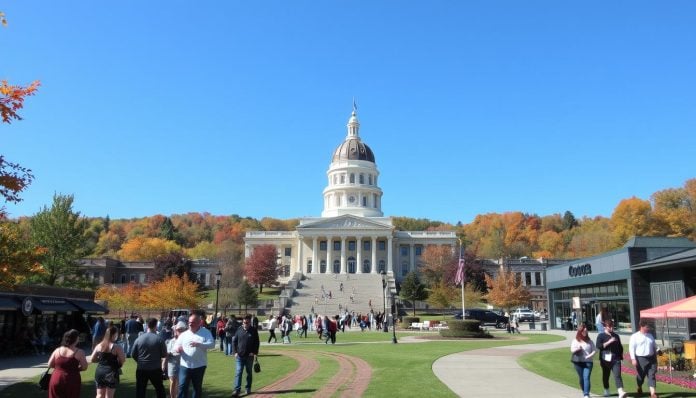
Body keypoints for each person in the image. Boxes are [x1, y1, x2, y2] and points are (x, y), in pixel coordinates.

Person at [174, 313, 215, 398]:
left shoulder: (205, 332)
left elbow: (212, 344)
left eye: (192, 322)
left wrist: (200, 344)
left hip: (199, 366)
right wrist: (178, 349)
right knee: (182, 386)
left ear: (199, 322)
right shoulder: (184, 334)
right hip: (185, 366)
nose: (190, 324)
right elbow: (176, 345)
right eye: (189, 322)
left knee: (197, 388)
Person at [131, 318, 167, 398]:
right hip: (155, 368)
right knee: (159, 389)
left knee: (140, 390)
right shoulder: (159, 339)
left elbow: (133, 354)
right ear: (155, 326)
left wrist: (140, 361)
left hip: (141, 368)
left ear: (147, 326)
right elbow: (164, 354)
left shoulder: (139, 339)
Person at [47, 329, 89, 398]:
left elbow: (49, 364)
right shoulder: (79, 352)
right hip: (71, 380)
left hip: (56, 378)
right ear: (76, 339)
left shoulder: (57, 350)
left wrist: (60, 367)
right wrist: (76, 369)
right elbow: (84, 367)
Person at [90, 325, 126, 398]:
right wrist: (118, 365)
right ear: (114, 334)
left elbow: (92, 359)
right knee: (109, 396)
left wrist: (101, 360)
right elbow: (122, 360)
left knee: (99, 395)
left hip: (100, 371)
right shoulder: (116, 347)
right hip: (111, 372)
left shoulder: (99, 345)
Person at [595, 320, 627, 398]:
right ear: (605, 327)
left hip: (616, 359)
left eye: (612, 326)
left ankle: (621, 391)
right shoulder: (601, 336)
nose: (611, 328)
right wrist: (609, 342)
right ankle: (606, 389)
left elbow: (620, 347)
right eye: (609, 326)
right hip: (605, 360)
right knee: (606, 375)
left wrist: (621, 356)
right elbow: (598, 346)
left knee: (617, 375)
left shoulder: (616, 336)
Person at [629, 319, 660, 398]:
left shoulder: (650, 336)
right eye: (647, 327)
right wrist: (633, 359)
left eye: (649, 327)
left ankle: (653, 393)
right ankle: (639, 386)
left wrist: (658, 350)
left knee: (651, 375)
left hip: (651, 358)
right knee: (641, 376)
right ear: (641, 326)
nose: (648, 328)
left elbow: (654, 345)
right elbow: (631, 348)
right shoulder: (635, 336)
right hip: (641, 359)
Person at [231, 314, 260, 397]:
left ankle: (248, 388)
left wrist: (254, 352)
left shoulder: (253, 331)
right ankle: (237, 390)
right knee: (238, 372)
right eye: (244, 322)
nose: (245, 324)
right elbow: (234, 341)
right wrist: (235, 352)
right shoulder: (239, 330)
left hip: (249, 356)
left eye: (247, 323)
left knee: (249, 373)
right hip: (239, 356)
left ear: (250, 323)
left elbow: (257, 342)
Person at [570, 323, 596, 398]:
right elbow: (572, 350)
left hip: (588, 362)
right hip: (578, 362)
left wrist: (589, 356)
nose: (585, 333)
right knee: (581, 378)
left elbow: (594, 350)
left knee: (586, 377)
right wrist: (578, 348)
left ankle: (586, 394)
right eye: (583, 331)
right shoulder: (575, 340)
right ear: (580, 332)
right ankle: (585, 391)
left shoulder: (589, 341)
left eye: (586, 331)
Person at [166, 321, 187, 398]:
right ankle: (172, 396)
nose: (179, 331)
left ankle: (178, 396)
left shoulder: (185, 340)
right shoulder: (171, 341)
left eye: (181, 330)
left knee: (180, 382)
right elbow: (167, 352)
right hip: (172, 363)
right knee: (172, 381)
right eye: (178, 330)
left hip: (182, 364)